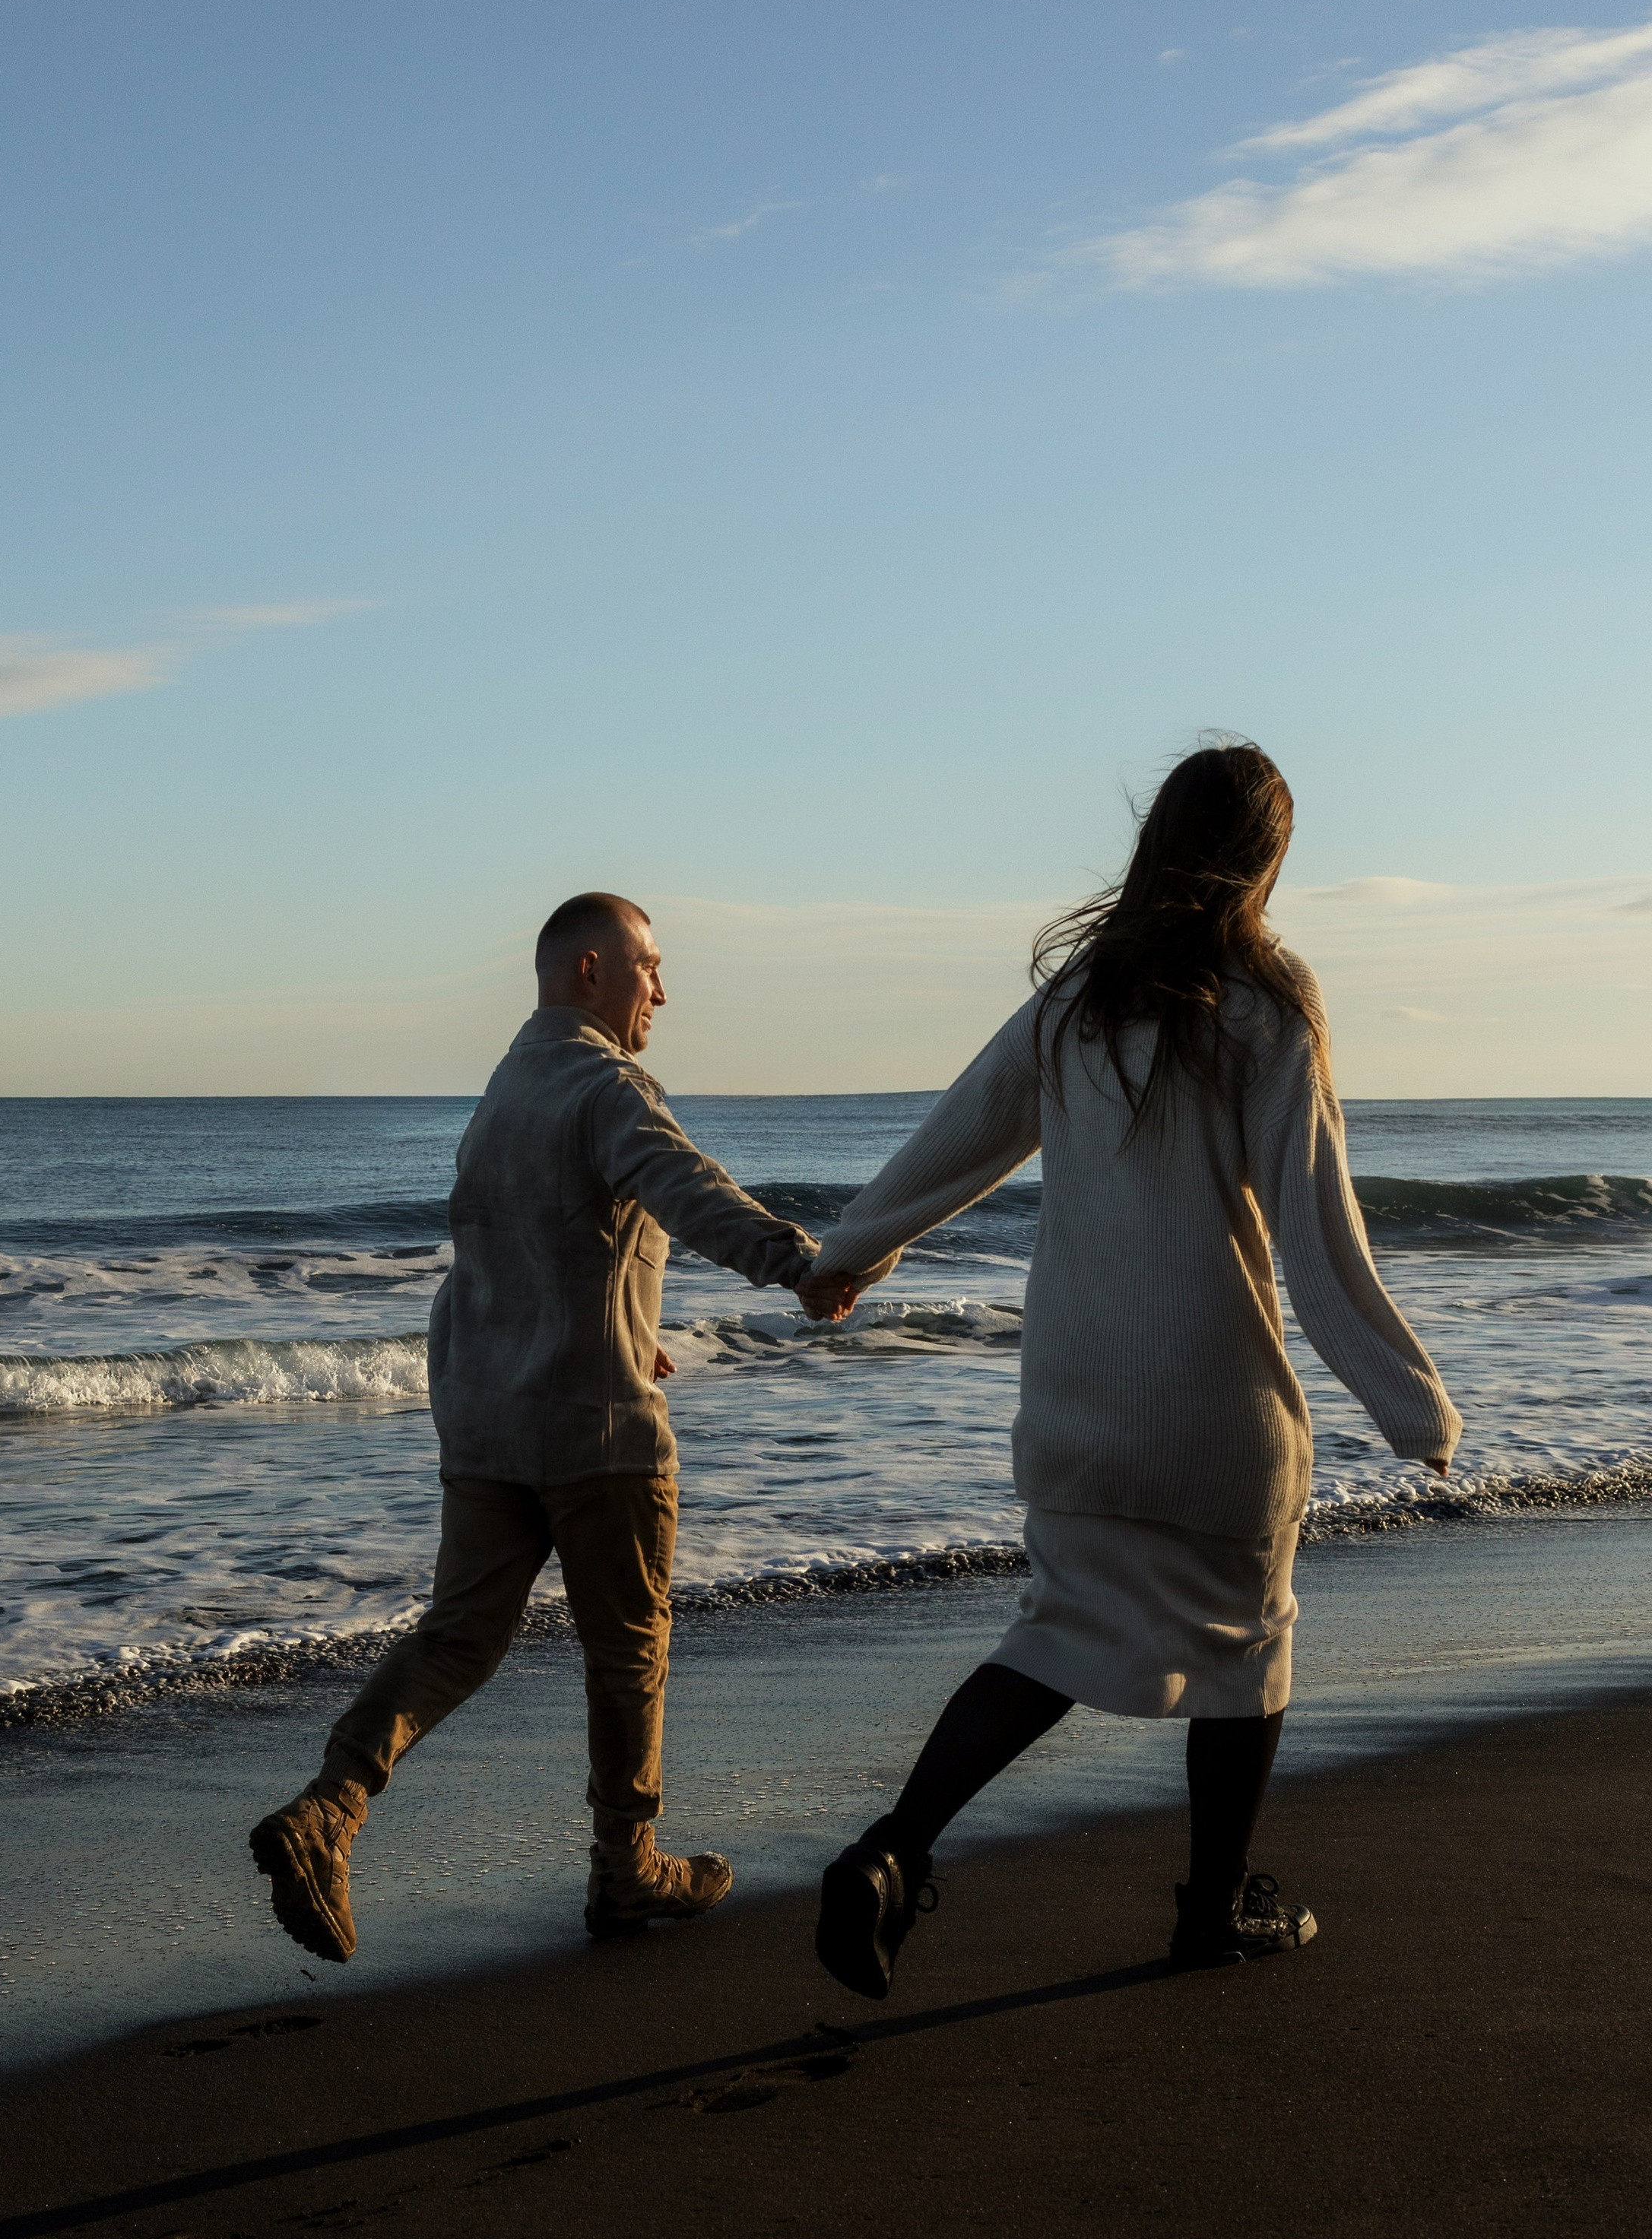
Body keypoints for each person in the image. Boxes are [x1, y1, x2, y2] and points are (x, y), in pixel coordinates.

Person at [797, 742, 1461, 1997]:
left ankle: (892, 1850)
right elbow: (1316, 1225)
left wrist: (847, 1254)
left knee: (1054, 1636)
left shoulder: (1076, 1001)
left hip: (1079, 1403)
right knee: (1245, 1647)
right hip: (1214, 1413)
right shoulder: (1267, 1000)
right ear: (1263, 860)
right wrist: (1412, 1405)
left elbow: (956, 1137)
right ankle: (1213, 1909)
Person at [251, 890, 836, 1962]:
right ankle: (627, 1868)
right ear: (590, 969)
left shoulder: (502, 1092)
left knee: (459, 1637)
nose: (663, 989)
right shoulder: (607, 1086)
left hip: (487, 1419)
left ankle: (329, 1807)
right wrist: (801, 1263)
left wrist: (630, 1327)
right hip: (594, 1432)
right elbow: (689, 1190)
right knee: (629, 1649)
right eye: (649, 965)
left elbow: (521, 1254)